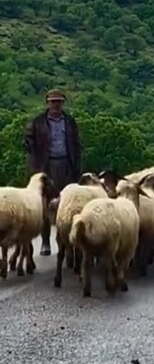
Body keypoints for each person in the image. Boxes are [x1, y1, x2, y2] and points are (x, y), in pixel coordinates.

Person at [25, 88, 82, 255]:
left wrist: (77, 165)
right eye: (53, 101)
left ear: (63, 103)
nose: (56, 105)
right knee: (45, 205)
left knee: (67, 205)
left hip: (66, 164)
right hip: (46, 165)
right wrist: (31, 148)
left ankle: (67, 243)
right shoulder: (38, 122)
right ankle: (45, 242)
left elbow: (76, 144)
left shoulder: (70, 121)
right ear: (47, 103)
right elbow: (28, 138)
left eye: (59, 101)